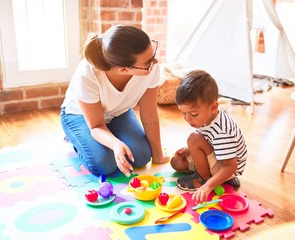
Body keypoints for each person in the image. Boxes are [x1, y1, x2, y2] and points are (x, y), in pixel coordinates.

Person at [60, 24, 169, 178]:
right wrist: (115, 144)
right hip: (81, 117)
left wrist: (158, 155)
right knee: (104, 163)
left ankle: (109, 136)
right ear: (124, 69)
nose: (156, 61)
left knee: (142, 156)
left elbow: (150, 116)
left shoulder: (151, 66)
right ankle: (75, 139)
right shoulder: (87, 75)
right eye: (148, 62)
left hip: (118, 112)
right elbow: (97, 125)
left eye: (153, 54)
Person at [170, 70, 247, 203]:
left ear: (214, 107)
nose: (188, 119)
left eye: (193, 114)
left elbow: (230, 166)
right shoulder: (207, 116)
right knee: (176, 163)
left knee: (193, 139)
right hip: (220, 158)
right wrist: (189, 150)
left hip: (227, 167)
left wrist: (208, 186)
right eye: (183, 113)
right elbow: (208, 139)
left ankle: (202, 179)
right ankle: (220, 179)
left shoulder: (222, 131)